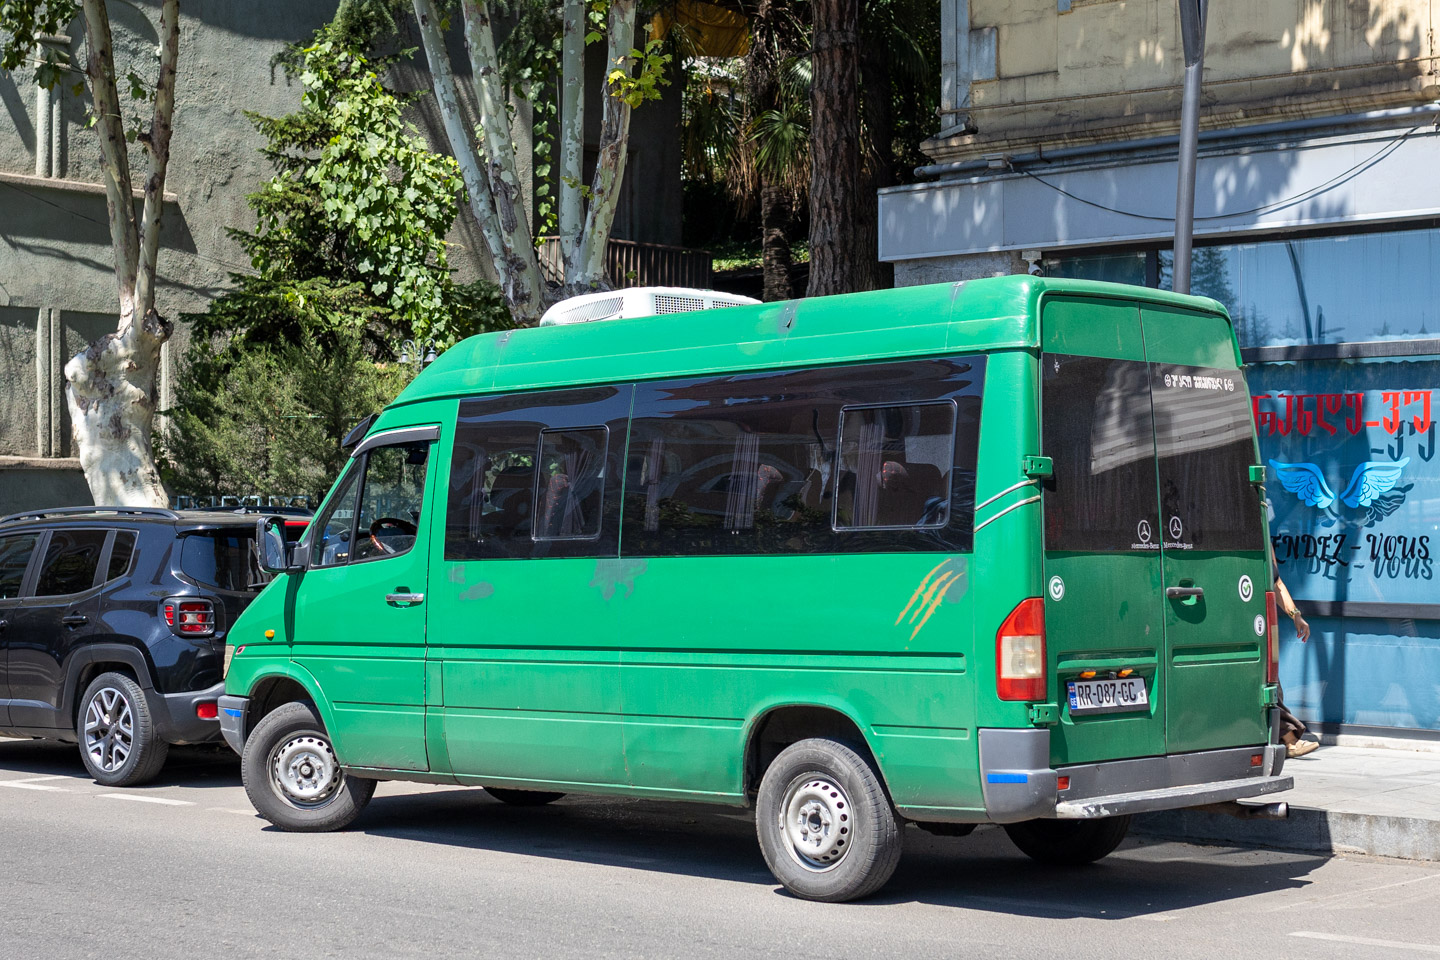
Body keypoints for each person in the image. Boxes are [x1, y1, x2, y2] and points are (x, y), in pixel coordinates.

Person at [1273, 571, 1320, 758]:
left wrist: (1295, 615)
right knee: (1267, 683)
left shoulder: (1265, 544)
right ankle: (1288, 739)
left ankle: (1286, 738)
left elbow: (1276, 582)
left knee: (1271, 684)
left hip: (1258, 626)